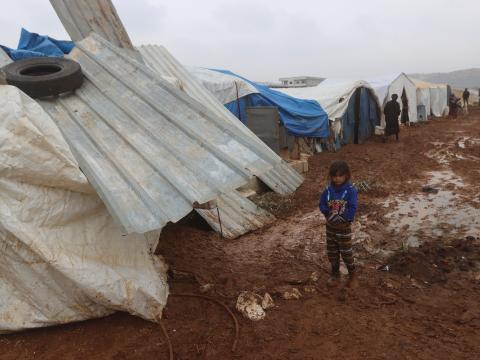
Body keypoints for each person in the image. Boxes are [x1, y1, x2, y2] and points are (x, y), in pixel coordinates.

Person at [319, 161, 358, 288]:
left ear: (346, 175)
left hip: (343, 228)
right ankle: (335, 274)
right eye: (335, 176)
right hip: (330, 228)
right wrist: (327, 212)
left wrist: (343, 217)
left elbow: (352, 208)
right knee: (332, 253)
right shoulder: (328, 190)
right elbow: (322, 204)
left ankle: (353, 276)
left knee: (347, 253)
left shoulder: (350, 191)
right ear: (331, 176)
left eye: (340, 176)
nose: (337, 179)